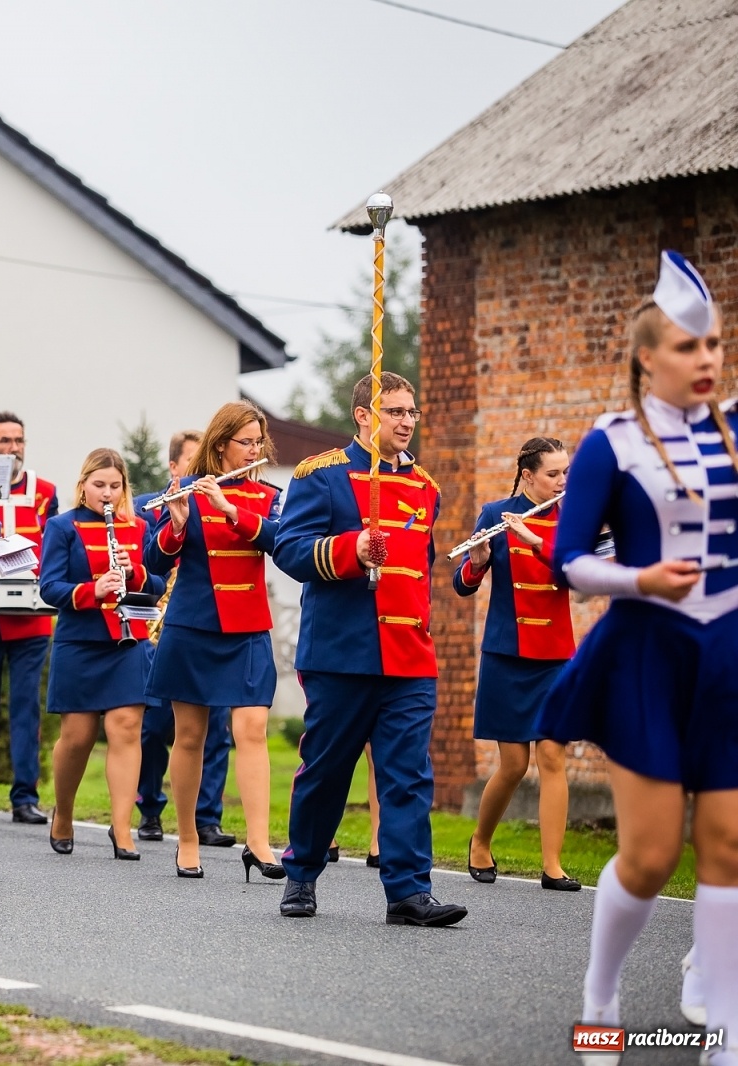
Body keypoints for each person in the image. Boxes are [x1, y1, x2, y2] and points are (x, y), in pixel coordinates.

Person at [538, 252, 738, 1060]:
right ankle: (601, 995)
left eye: (716, 346)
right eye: (689, 347)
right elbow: (569, 560)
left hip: (727, 652)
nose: (707, 361)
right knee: (652, 854)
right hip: (648, 654)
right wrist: (640, 578)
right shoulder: (610, 443)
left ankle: (722, 1024)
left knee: (728, 843)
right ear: (647, 357)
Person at [271, 373, 466, 927]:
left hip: (409, 655)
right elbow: (289, 549)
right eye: (394, 411)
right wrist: (351, 547)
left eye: (412, 413)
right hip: (341, 653)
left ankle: (408, 891)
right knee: (327, 770)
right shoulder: (323, 475)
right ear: (363, 415)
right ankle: (302, 873)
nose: (406, 421)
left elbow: (420, 570)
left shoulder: (427, 487)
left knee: (407, 774)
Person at [147, 402, 285, 882]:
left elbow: (279, 543)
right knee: (190, 736)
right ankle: (187, 838)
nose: (253, 449)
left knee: (251, 731)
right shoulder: (186, 489)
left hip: (247, 626)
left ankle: (260, 842)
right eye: (245, 441)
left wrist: (230, 510)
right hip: (193, 625)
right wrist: (179, 522)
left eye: (257, 442)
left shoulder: (268, 494)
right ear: (221, 443)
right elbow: (155, 561)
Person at [454, 436, 578, 890]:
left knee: (552, 754)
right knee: (513, 765)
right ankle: (480, 842)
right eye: (553, 473)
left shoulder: (573, 517)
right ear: (528, 476)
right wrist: (477, 562)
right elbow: (463, 584)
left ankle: (552, 866)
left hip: (555, 653)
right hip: (508, 652)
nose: (562, 481)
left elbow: (575, 571)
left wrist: (533, 537)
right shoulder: (494, 514)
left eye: (566, 472)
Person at [38, 449, 151, 859]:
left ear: (124, 489)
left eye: (115, 486)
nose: (107, 494)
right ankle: (63, 813)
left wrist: (134, 571)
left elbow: (155, 578)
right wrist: (91, 590)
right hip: (80, 640)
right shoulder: (61, 527)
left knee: (126, 728)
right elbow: (49, 587)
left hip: (128, 640)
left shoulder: (138, 527)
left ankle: (122, 828)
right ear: (83, 485)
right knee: (78, 736)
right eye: (99, 485)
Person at [133, 429, 235, 848]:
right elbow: (148, 567)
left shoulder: (220, 500)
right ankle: (151, 807)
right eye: (192, 465)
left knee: (218, 727)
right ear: (174, 467)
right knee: (156, 726)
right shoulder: (146, 507)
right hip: (165, 626)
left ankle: (206, 818)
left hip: (214, 627)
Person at [0, 412, 57, 827]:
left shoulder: (46, 491)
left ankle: (25, 796)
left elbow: (54, 546)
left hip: (30, 615)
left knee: (25, 707)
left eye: (18, 440)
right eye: (4, 441)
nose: (13, 448)